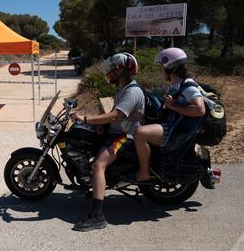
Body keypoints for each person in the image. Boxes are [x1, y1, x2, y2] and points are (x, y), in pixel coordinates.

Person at [71, 52, 145, 232]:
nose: (109, 73)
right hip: (116, 132)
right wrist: (100, 125)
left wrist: (86, 119)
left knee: (98, 166)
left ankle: (97, 217)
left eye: (112, 70)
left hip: (125, 136)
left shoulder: (132, 92)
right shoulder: (122, 90)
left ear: (121, 70)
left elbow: (115, 115)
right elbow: (112, 116)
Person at [132, 48, 206, 182]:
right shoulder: (176, 84)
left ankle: (144, 173)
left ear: (169, 67)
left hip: (175, 130)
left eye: (162, 67)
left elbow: (199, 109)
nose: (160, 70)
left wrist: (173, 106)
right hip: (172, 125)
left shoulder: (188, 86)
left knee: (140, 133)